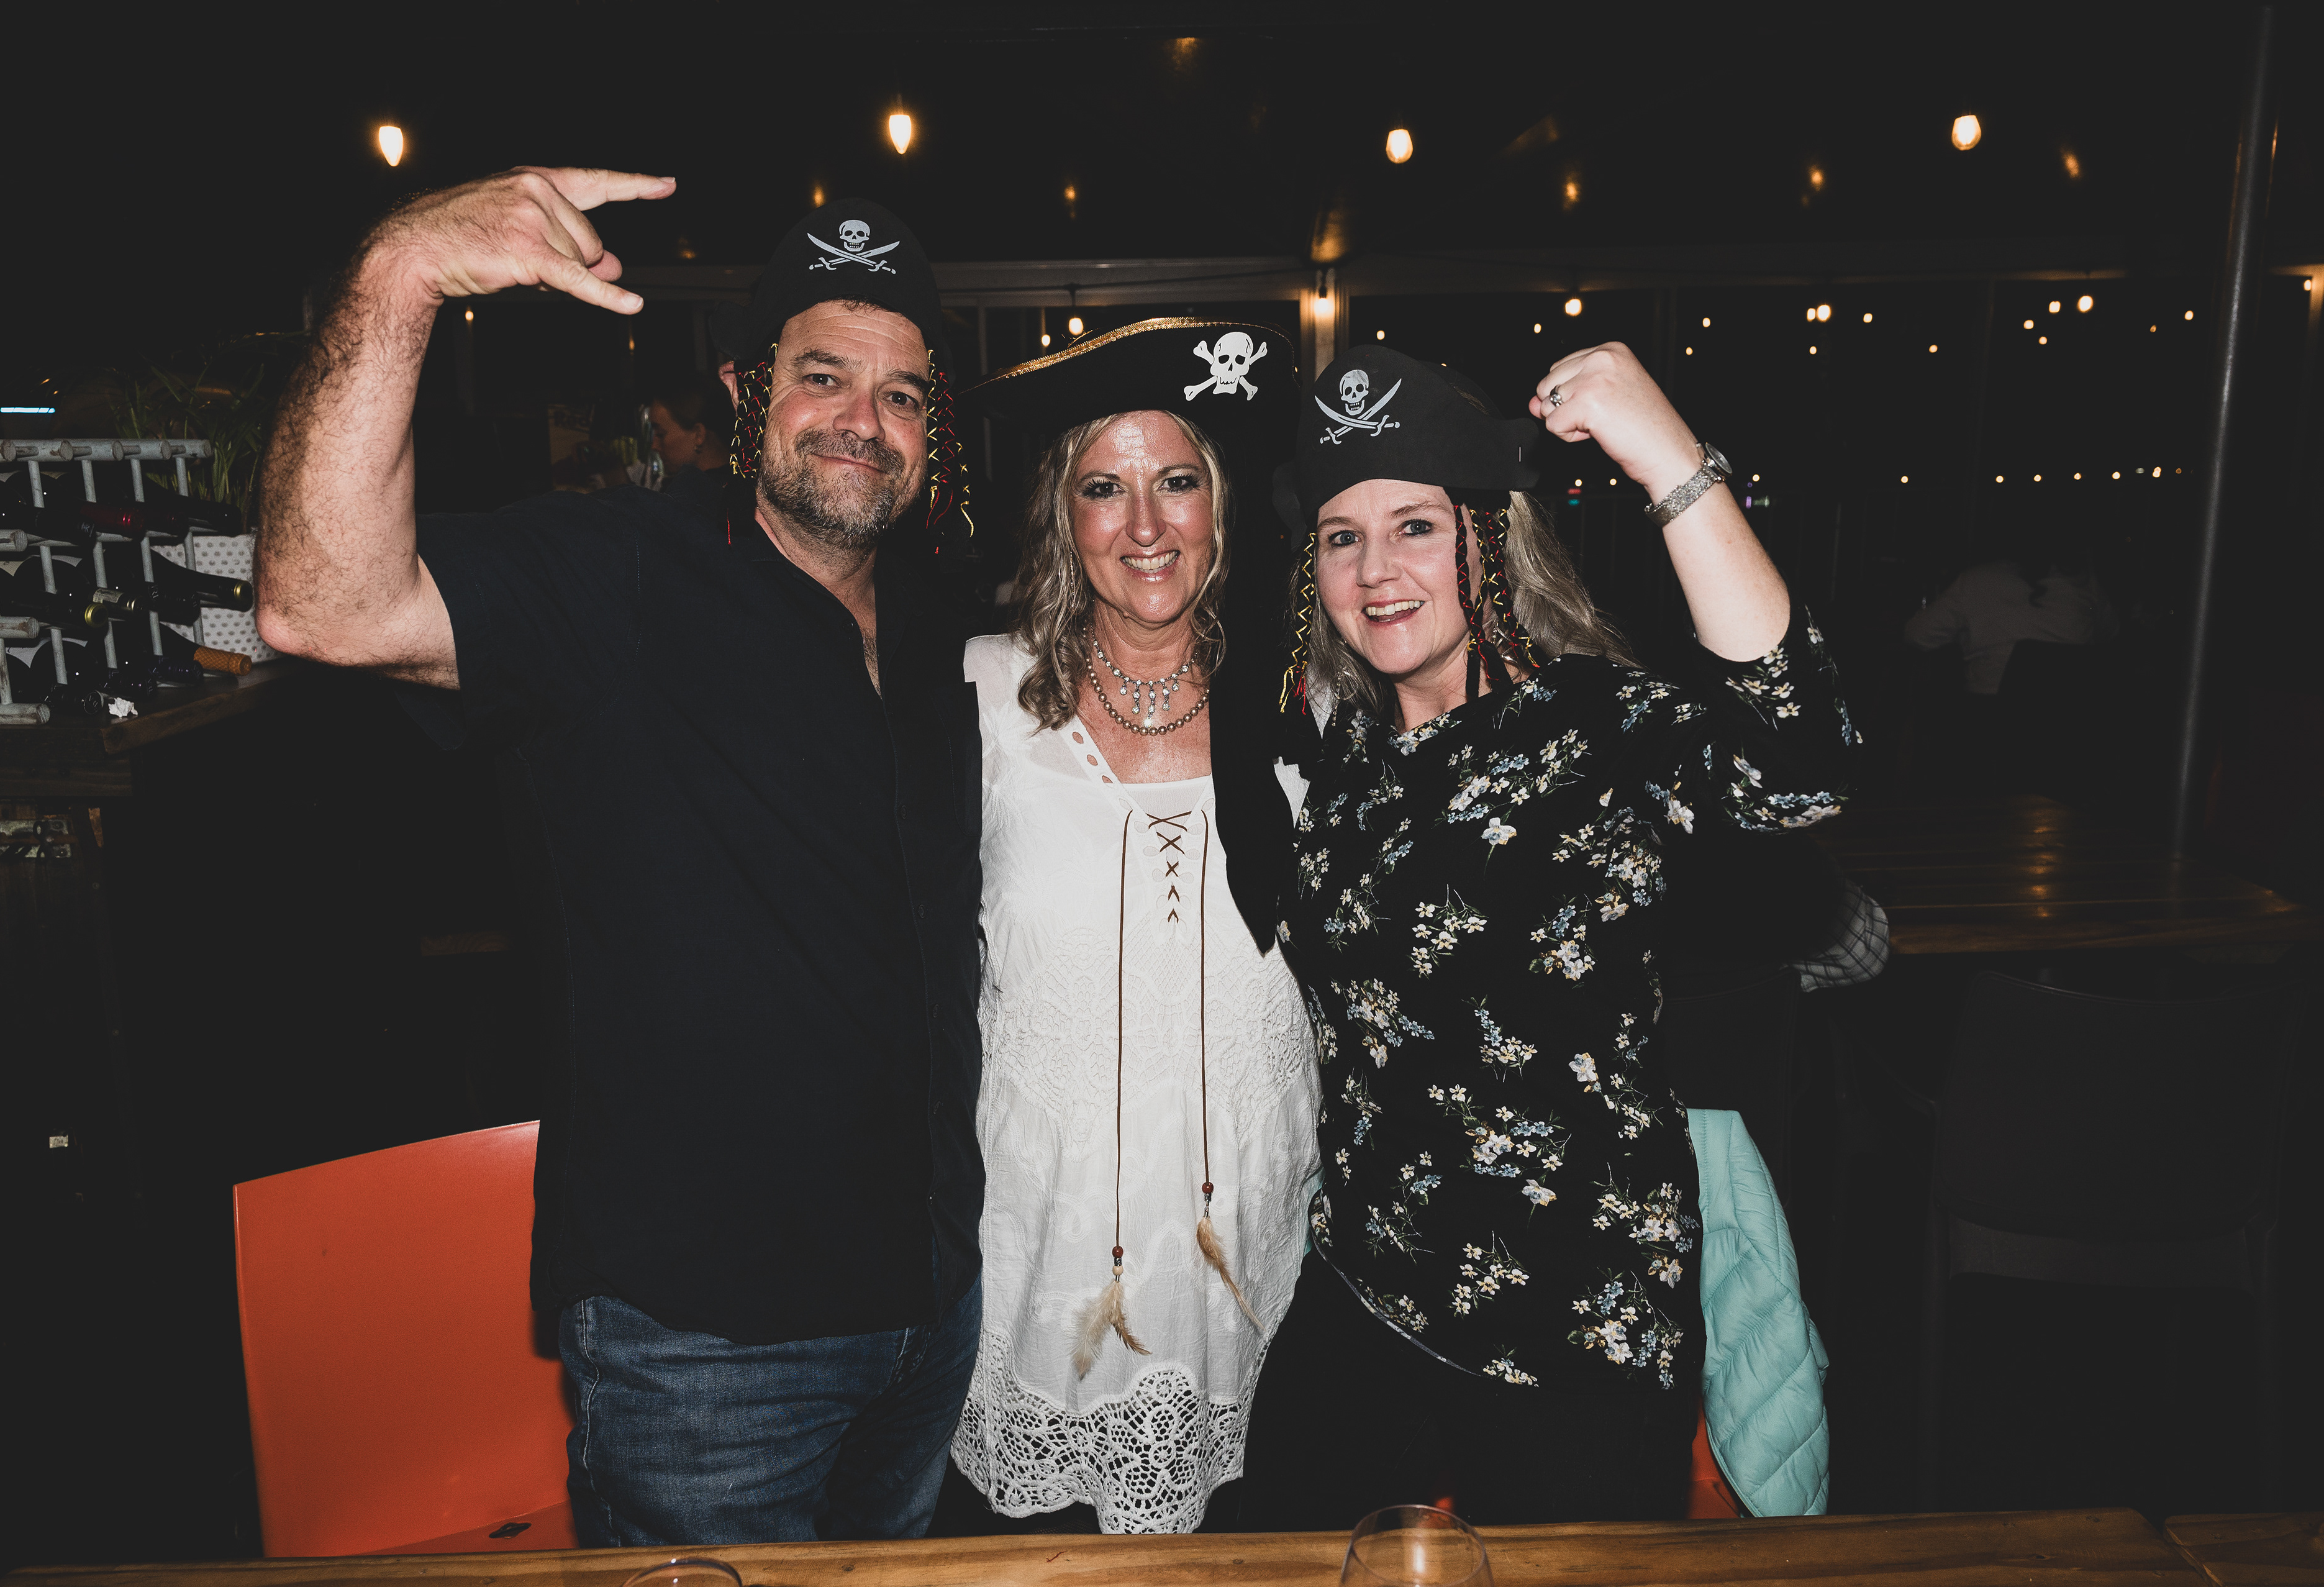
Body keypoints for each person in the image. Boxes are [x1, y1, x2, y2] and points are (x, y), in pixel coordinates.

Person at [256, 176, 986, 1547]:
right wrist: (398, 275)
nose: (862, 419)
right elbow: (320, 603)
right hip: (708, 1350)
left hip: (932, 1316)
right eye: (823, 375)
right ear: (745, 391)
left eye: (900, 394)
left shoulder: (944, 622)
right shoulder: (617, 573)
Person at [1239, 342, 1856, 1527]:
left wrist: (1670, 460)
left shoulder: (1596, 725)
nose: (1376, 569)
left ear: (1489, 537)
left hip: (1572, 1329)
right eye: (1341, 536)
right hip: (1370, 1284)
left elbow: (1801, 770)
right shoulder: (1346, 749)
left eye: (1416, 527)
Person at [945, 321, 1317, 1534]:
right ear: (1064, 517)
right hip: (1042, 1249)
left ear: (1223, 505)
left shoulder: (1312, 700)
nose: (1146, 524)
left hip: (1255, 1243)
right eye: (1105, 487)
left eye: (1178, 481)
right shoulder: (976, 695)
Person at [1903, 511, 2118, 695]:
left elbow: (1918, 635)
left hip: (1990, 713)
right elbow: (2109, 636)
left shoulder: (1977, 581)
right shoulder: (2085, 584)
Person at [646, 381, 734, 503]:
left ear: (698, 435)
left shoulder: (694, 498)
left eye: (661, 434)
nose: (654, 446)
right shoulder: (737, 486)